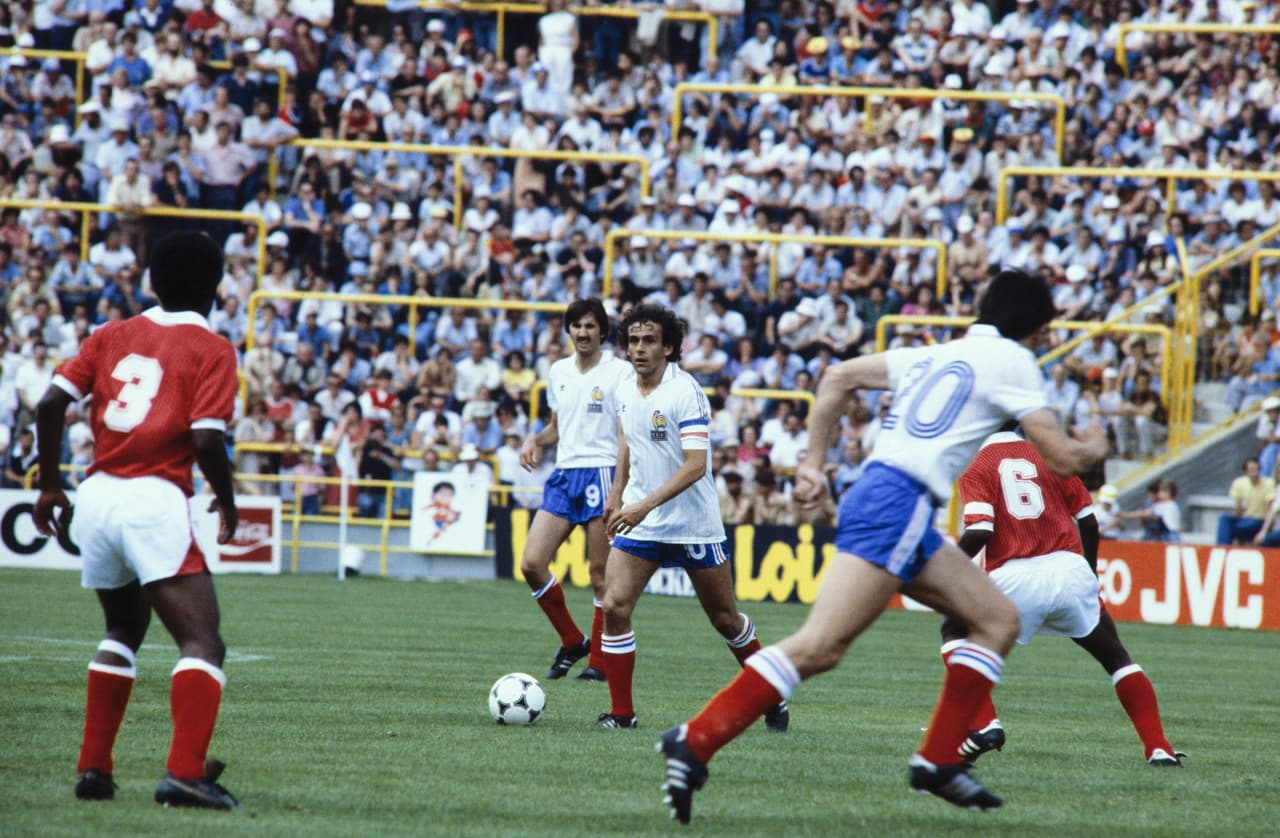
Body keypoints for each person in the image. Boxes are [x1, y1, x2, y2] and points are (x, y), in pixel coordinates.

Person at [657, 269, 1107, 823]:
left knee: (997, 619)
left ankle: (939, 760)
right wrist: (1095, 448)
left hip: (887, 498)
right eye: (1046, 328)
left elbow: (839, 375)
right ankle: (695, 738)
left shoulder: (938, 352)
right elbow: (1062, 460)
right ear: (1037, 326)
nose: (1045, 338)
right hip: (899, 504)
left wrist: (813, 463)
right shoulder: (1015, 361)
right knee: (821, 646)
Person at [32, 231, 243, 810]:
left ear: (150, 282)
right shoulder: (213, 349)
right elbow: (205, 438)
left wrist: (51, 482)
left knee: (122, 632)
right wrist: (226, 498)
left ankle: (94, 767)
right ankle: (183, 774)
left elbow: (50, 404)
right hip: (154, 498)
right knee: (203, 642)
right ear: (216, 287)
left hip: (96, 496)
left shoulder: (111, 334)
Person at [598, 304, 789, 733]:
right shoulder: (625, 389)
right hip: (639, 519)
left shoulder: (686, 391)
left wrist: (643, 505)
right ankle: (621, 715)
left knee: (725, 619)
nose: (639, 349)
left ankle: (770, 692)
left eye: (649, 341)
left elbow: (696, 465)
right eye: (632, 341)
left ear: (669, 347)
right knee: (614, 606)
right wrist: (617, 495)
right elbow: (627, 440)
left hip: (692, 524)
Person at [943, 428, 1184, 767]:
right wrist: (1087, 571)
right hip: (1069, 569)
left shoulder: (978, 465)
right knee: (1117, 658)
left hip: (1014, 574)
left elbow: (981, 529)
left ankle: (985, 725)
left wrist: (948, 566)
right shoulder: (1050, 456)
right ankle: (1159, 747)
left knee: (954, 631)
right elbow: (1088, 520)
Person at [518, 299, 629, 682]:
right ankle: (572, 639)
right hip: (565, 474)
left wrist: (618, 488)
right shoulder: (559, 370)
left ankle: (598, 661)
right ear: (568, 331)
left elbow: (624, 435)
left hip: (601, 473)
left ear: (603, 331)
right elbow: (558, 426)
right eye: (576, 326)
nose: (583, 333)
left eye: (590, 326)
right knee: (531, 563)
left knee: (600, 575)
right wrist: (536, 439)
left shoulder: (619, 372)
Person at [1215, 458, 1274, 545]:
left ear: (1260, 469)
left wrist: (1264, 531)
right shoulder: (1239, 483)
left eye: (1256, 469)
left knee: (1229, 529)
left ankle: (1224, 547)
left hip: (1258, 520)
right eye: (1251, 470)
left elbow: (1270, 509)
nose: (1254, 473)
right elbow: (1237, 508)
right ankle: (1222, 547)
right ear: (1245, 472)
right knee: (1224, 518)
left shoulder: (1268, 483)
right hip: (1243, 520)